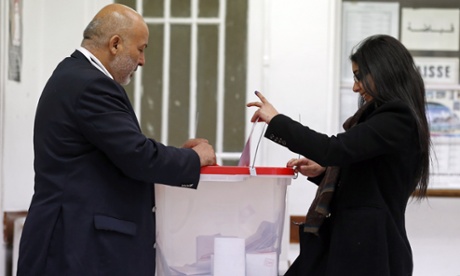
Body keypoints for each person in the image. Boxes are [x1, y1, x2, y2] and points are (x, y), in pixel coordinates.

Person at [17, 4, 216, 276]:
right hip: (74, 248)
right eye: (141, 48)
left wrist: (174, 156)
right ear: (115, 44)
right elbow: (137, 155)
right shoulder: (91, 85)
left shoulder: (75, 75)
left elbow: (117, 153)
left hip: (71, 243)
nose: (143, 60)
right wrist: (194, 159)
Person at [247, 34, 430, 276]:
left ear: (382, 70)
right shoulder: (387, 118)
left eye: (358, 76)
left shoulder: (397, 118)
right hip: (356, 247)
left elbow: (334, 149)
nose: (355, 87)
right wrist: (325, 171)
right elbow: (364, 170)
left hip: (370, 252)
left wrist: (277, 121)